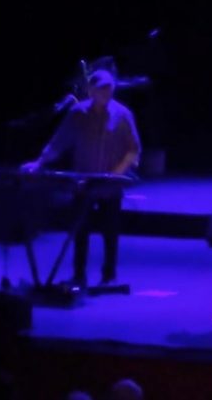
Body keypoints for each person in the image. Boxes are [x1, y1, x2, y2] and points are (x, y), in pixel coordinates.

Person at [22, 69, 141, 287]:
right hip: (84, 182)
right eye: (102, 89)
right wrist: (40, 162)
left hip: (109, 184)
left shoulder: (122, 114)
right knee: (80, 229)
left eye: (109, 89)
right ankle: (79, 275)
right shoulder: (78, 113)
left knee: (110, 230)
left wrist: (117, 173)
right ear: (91, 91)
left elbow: (133, 149)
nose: (106, 93)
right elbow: (59, 142)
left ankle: (109, 275)